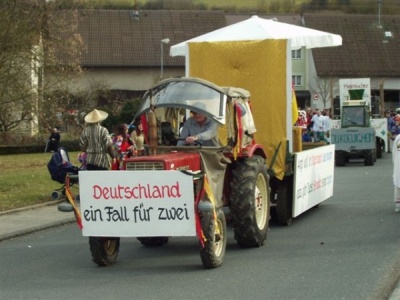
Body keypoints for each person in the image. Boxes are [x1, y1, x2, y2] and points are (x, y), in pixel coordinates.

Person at [392, 134, 400, 213]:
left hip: (398, 164)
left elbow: (394, 152)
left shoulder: (398, 138)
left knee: (398, 184)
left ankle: (398, 205)